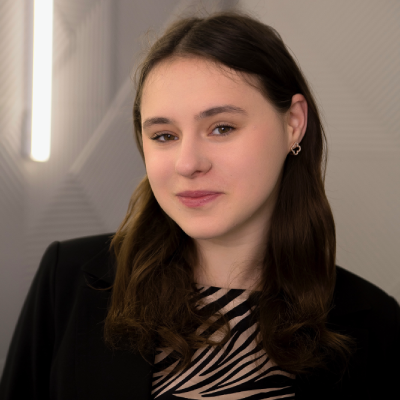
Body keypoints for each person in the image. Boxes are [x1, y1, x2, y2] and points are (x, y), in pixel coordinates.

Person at [0, 10, 399, 400]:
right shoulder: (68, 281)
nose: (188, 163)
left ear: (293, 122)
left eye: (221, 128)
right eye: (164, 135)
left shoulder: (376, 323)